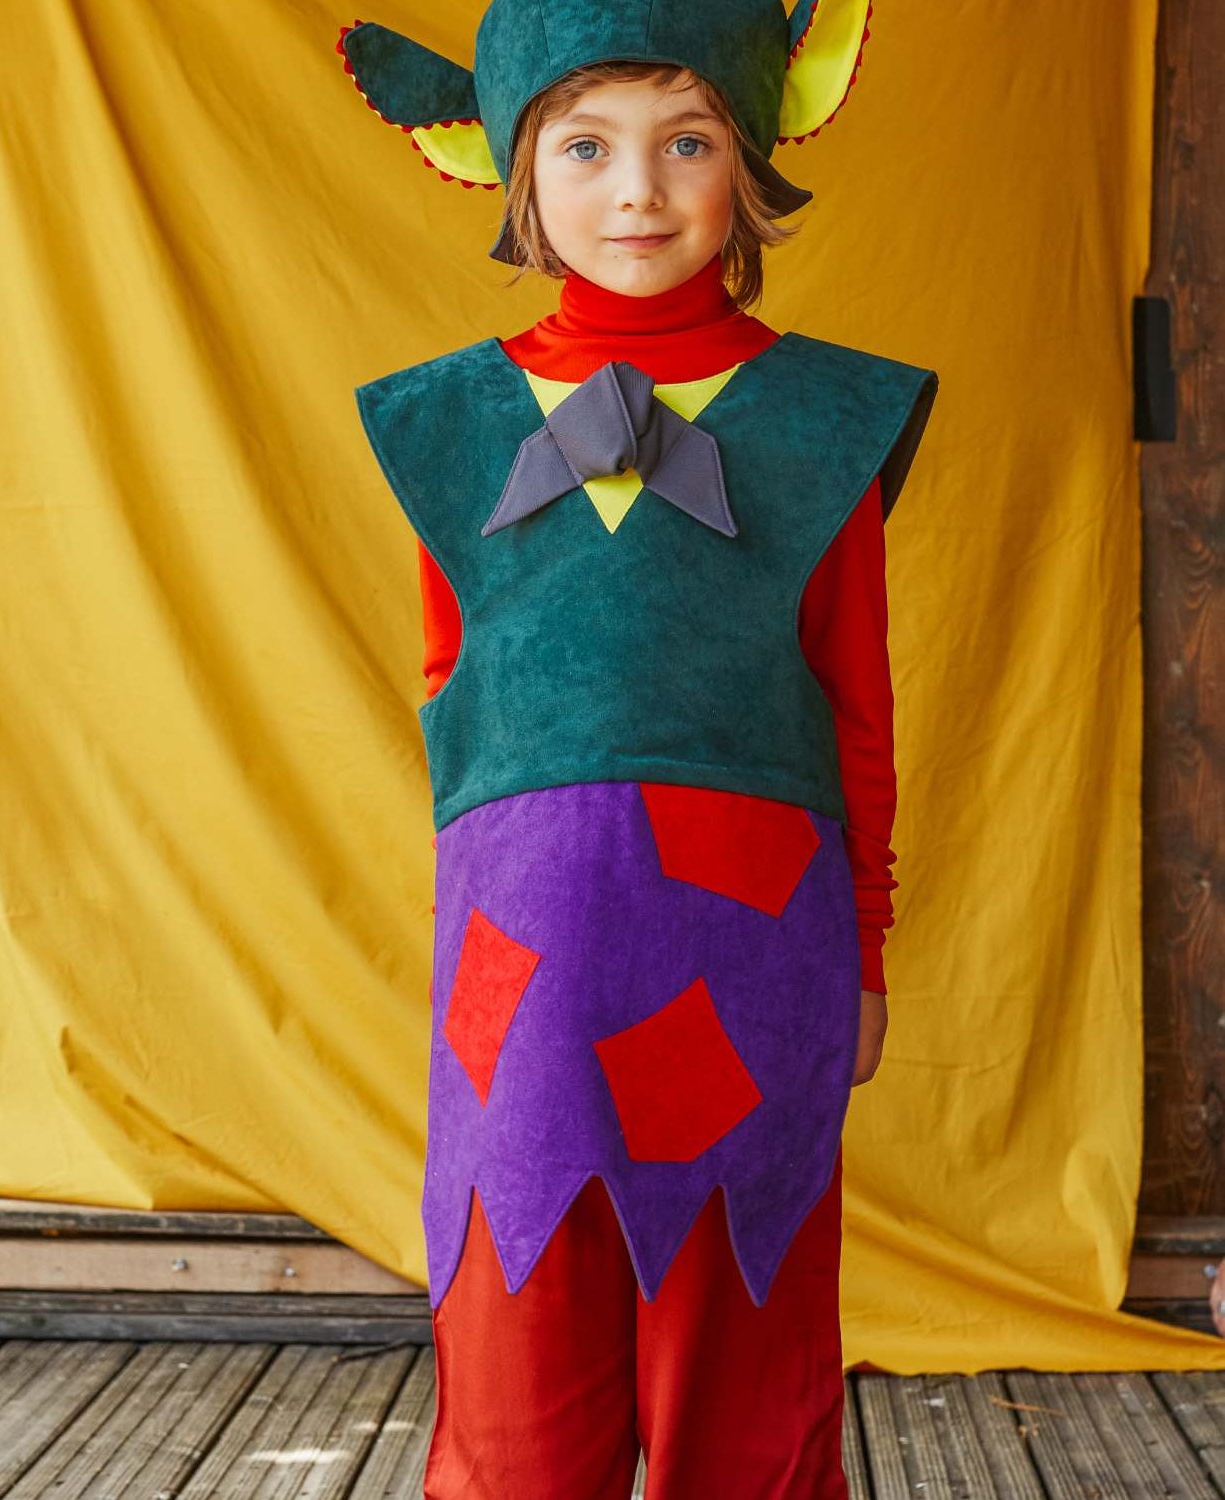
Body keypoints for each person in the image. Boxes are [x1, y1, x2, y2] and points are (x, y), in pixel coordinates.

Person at [337, 2, 938, 1495]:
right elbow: (456, 716)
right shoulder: (455, 424)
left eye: (688, 144)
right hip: (522, 967)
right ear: (513, 169)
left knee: (741, 1337)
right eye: (588, 147)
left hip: (747, 952)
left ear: (749, 163)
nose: (639, 192)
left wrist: (861, 952)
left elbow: (855, 710)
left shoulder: (824, 420)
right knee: (520, 1327)